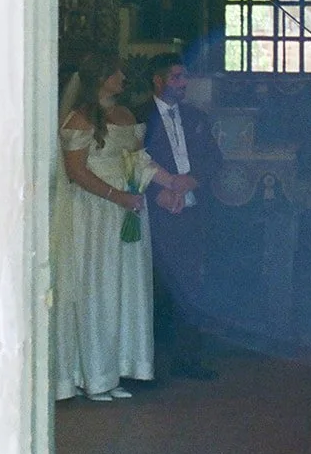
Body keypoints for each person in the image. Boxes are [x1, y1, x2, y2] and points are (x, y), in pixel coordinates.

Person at [52, 52, 196, 402]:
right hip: (95, 212)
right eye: (116, 72)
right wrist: (118, 196)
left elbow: (138, 160)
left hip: (128, 208)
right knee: (96, 288)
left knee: (123, 288)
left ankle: (115, 369)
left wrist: (169, 183)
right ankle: (89, 375)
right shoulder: (80, 119)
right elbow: (76, 172)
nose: (122, 77)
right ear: (100, 77)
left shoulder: (126, 115)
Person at [140, 53, 224, 381]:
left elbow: (214, 159)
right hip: (155, 214)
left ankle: (188, 358)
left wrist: (192, 180)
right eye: (175, 77)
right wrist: (156, 192)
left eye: (184, 77)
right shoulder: (139, 117)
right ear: (158, 81)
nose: (183, 83)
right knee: (156, 286)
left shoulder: (195, 117)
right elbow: (129, 163)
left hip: (192, 211)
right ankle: (153, 365)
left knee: (192, 283)